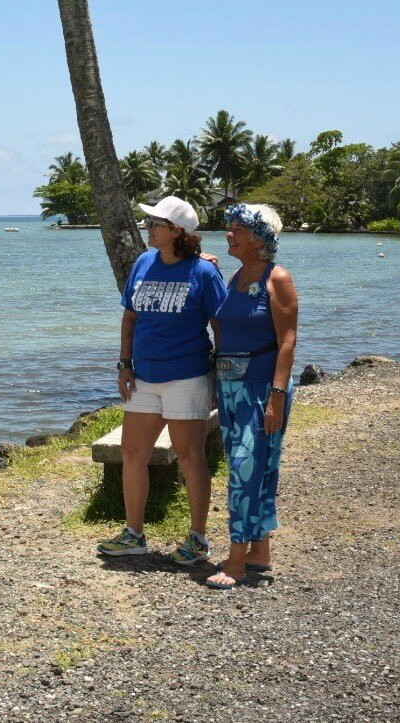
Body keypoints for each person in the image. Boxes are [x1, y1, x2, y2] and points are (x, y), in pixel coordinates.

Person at [97, 196, 226, 564]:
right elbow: (130, 318)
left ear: (176, 231)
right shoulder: (143, 262)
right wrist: (124, 365)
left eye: (154, 223)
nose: (147, 227)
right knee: (132, 453)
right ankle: (134, 534)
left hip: (187, 377)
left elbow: (220, 325)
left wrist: (220, 373)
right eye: (149, 221)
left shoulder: (203, 272)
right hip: (144, 378)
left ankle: (198, 538)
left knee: (190, 457)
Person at [206, 203, 298, 590]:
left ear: (259, 238)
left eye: (237, 228)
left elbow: (288, 341)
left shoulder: (278, 279)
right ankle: (260, 550)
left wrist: (276, 394)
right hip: (230, 388)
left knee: (244, 469)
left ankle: (237, 560)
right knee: (256, 468)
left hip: (262, 389)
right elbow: (221, 325)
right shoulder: (235, 277)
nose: (229, 233)